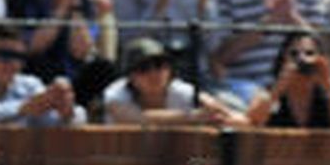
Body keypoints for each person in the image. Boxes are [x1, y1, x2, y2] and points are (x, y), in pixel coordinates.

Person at [8, 0, 120, 111]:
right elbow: (33, 46)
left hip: (71, 80)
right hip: (29, 74)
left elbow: (81, 51)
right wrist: (61, 9)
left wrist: (74, 6)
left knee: (103, 69)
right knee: (43, 64)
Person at [99, 35, 244, 122]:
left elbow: (218, 111)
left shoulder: (182, 90)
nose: (154, 73)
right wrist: (192, 117)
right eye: (143, 68)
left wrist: (246, 119)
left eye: (160, 65)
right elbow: (138, 119)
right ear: (130, 75)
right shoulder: (115, 93)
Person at [244, 27, 330, 126]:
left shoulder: (329, 93)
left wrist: (327, 83)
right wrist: (279, 89)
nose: (301, 59)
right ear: (283, 58)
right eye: (294, 54)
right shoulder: (267, 92)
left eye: (309, 53)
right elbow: (253, 121)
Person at [0, 21, 84, 125]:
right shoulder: (29, 96)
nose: (14, 65)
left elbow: (57, 120)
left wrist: (66, 111)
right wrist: (22, 108)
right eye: (6, 56)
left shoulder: (29, 86)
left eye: (19, 57)